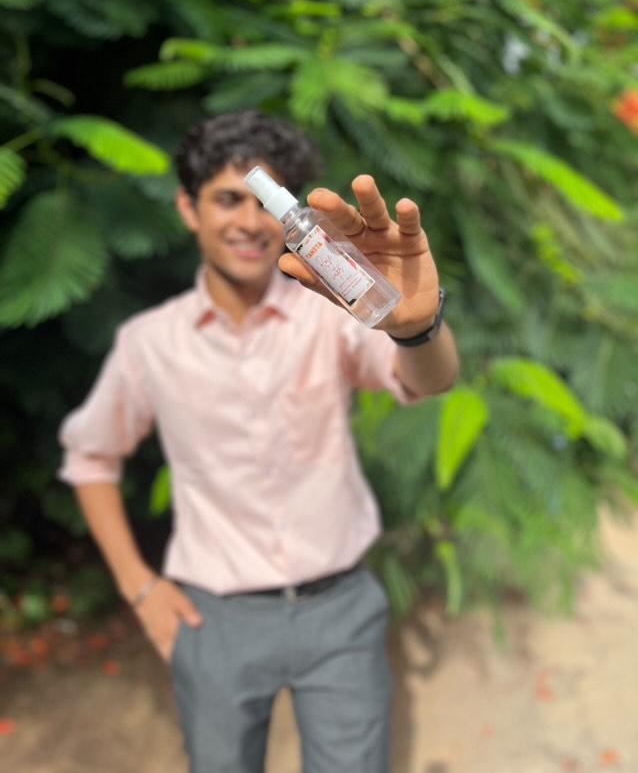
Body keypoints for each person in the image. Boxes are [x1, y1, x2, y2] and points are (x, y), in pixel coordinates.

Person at [58, 109, 459, 773]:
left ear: (286, 212)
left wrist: (416, 329)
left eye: (263, 201)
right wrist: (138, 586)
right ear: (188, 208)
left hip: (341, 612)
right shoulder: (149, 343)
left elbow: (428, 381)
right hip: (215, 619)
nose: (249, 221)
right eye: (227, 199)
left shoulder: (330, 317)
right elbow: (90, 456)